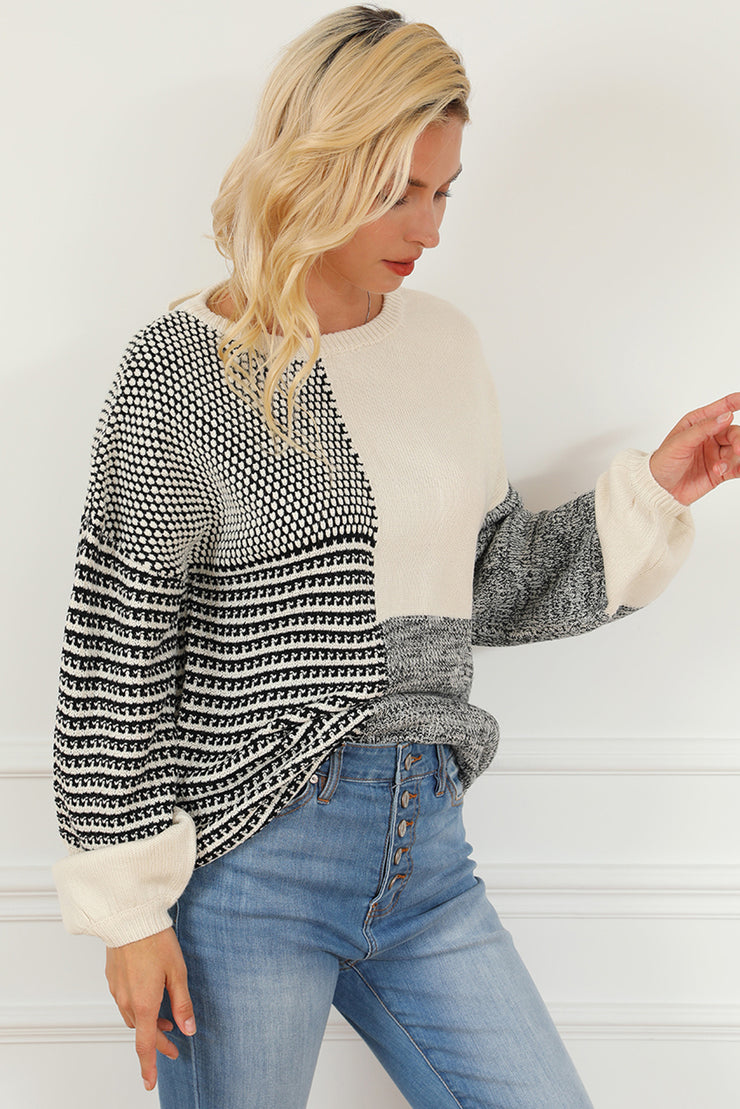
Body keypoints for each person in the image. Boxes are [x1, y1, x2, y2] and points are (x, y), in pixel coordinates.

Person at [52, 6, 740, 1108]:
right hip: (252, 861)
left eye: (443, 191)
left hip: (428, 861)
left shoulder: (445, 345)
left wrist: (655, 489)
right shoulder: (186, 370)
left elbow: (484, 582)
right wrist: (129, 913)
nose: (428, 229)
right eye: (397, 191)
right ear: (315, 168)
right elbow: (113, 653)